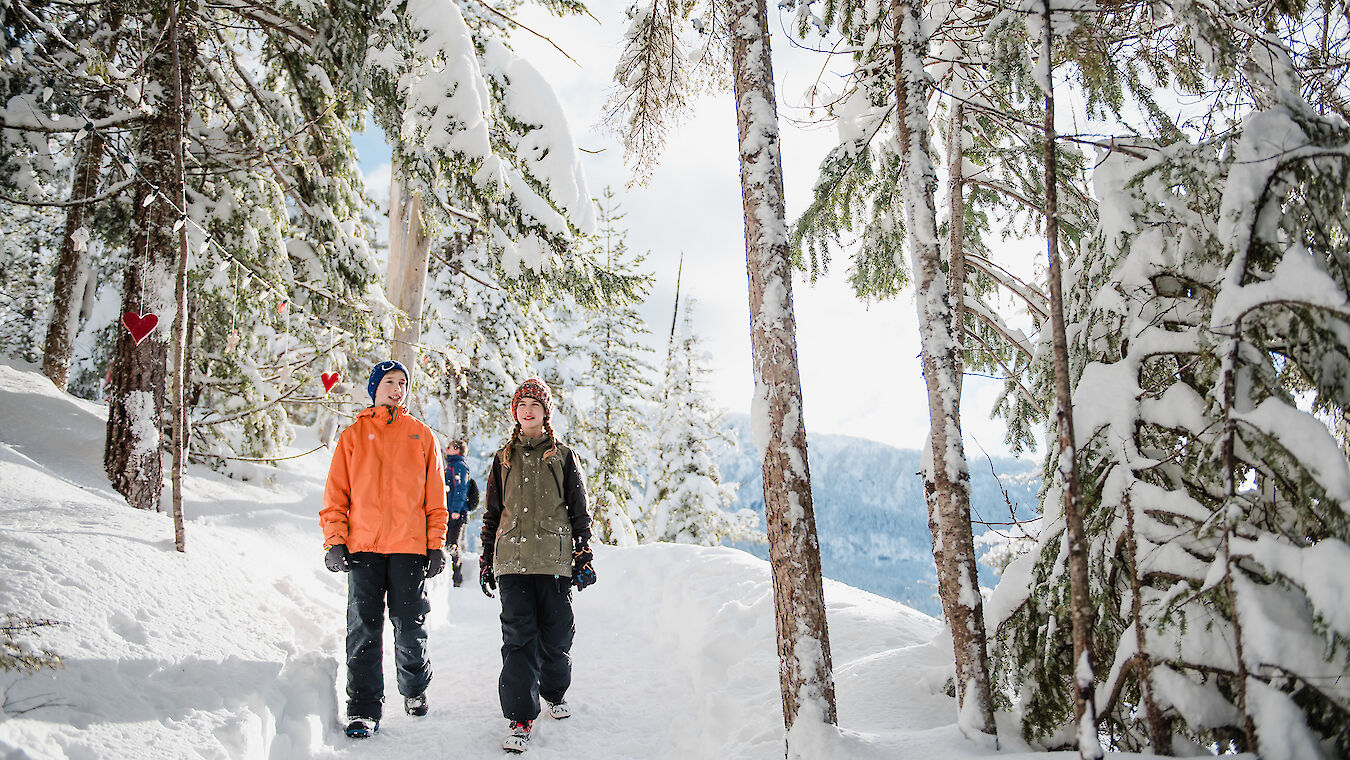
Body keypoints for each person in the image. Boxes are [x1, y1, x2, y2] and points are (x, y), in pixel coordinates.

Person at [320, 359, 449, 738]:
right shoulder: (354, 437)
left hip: (409, 549)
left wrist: (436, 544)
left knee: (410, 626)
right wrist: (334, 540)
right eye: (389, 381)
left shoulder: (421, 436)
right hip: (364, 549)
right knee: (363, 629)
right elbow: (335, 495)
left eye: (402, 383)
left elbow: (435, 497)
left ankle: (414, 689)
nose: (396, 388)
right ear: (374, 387)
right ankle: (363, 709)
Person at [479, 378, 597, 753]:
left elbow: (579, 509)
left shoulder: (563, 456)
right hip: (512, 561)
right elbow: (492, 514)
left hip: (554, 561)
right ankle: (519, 716)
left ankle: (554, 690)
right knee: (518, 639)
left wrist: (583, 551)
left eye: (535, 404)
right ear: (515, 413)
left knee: (557, 636)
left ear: (546, 412)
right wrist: (486, 559)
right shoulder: (503, 458)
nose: (527, 410)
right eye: (521, 405)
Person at [443, 439, 480, 586]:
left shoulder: (459, 466)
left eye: (450, 447)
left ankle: (456, 577)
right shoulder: (452, 466)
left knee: (452, 544)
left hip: (456, 512)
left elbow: (461, 489)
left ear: (458, 450)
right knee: (448, 543)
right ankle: (450, 574)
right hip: (450, 511)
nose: (447, 449)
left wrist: (457, 510)